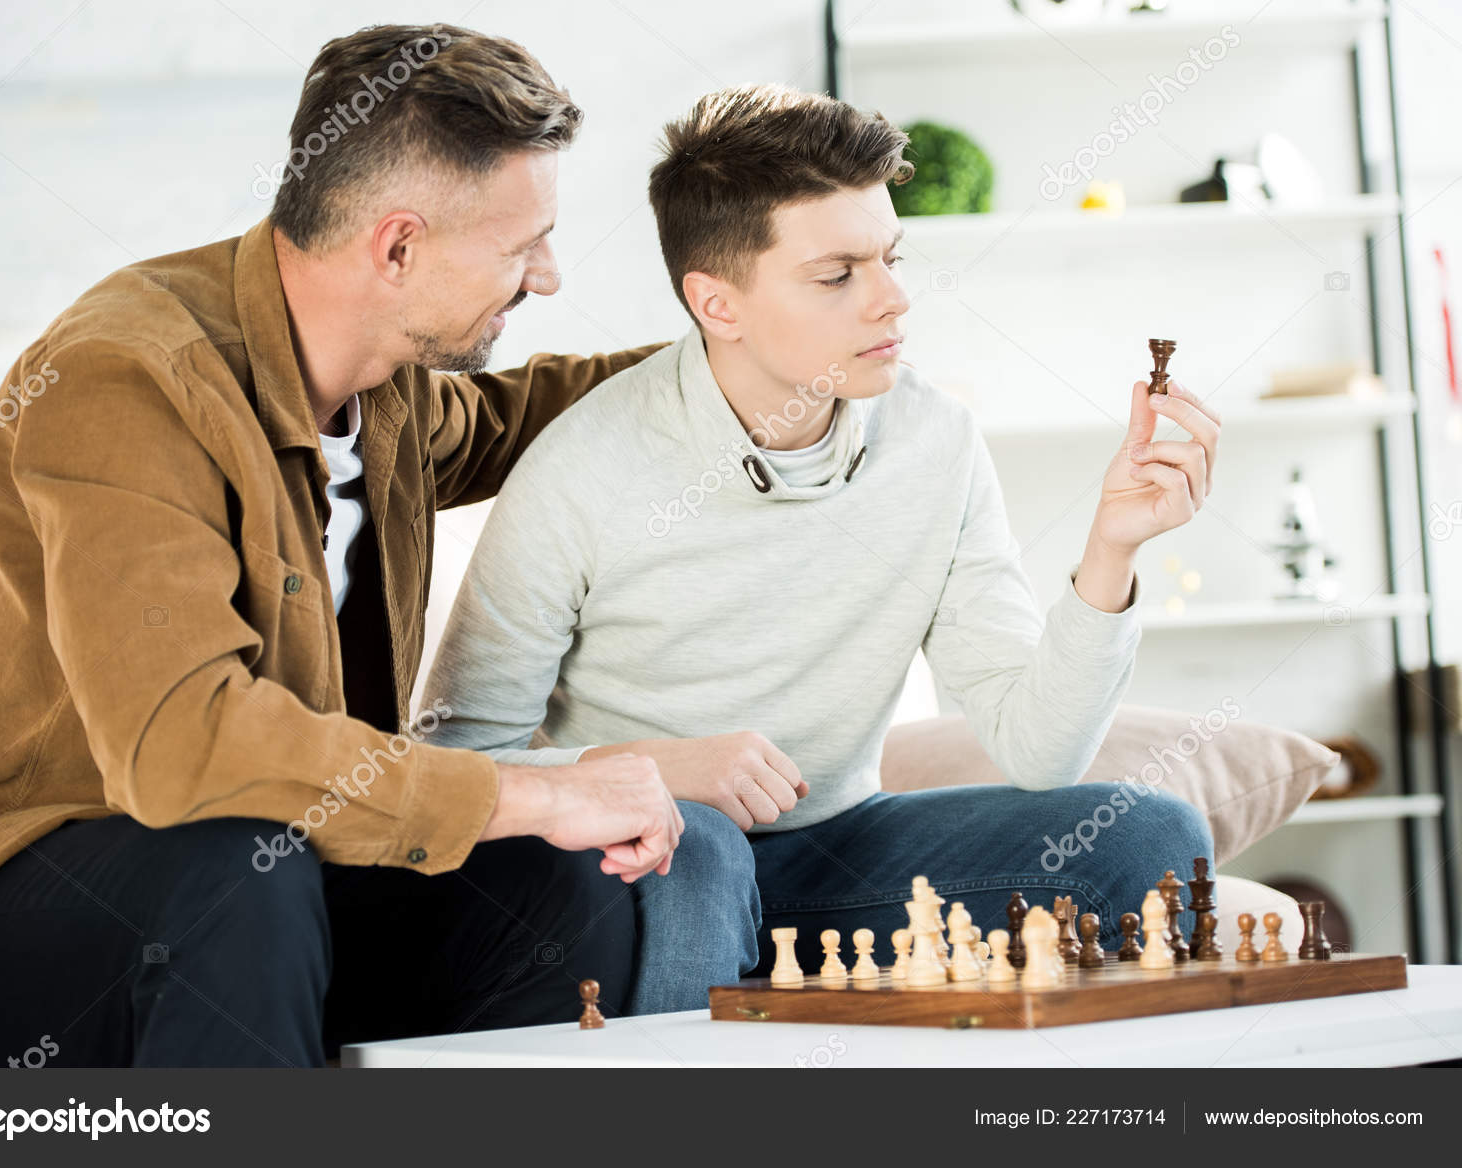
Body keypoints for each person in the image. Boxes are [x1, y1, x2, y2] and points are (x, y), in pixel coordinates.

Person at [0, 24, 683, 1068]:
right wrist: (539, 791)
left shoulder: (388, 389)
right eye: (524, 245)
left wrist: (747, 341)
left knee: (553, 886)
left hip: (268, 884)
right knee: (241, 865)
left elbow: (534, 416)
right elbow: (183, 747)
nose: (549, 275)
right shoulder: (125, 376)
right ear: (397, 246)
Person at [420, 83, 1222, 1013]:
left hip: (840, 853)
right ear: (717, 303)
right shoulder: (581, 468)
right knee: (702, 843)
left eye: (890, 257)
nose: (893, 299)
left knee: (1147, 833)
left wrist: (1111, 552)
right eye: (837, 275)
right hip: (641, 862)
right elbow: (459, 765)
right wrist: (657, 769)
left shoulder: (937, 441)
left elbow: (1039, 751)